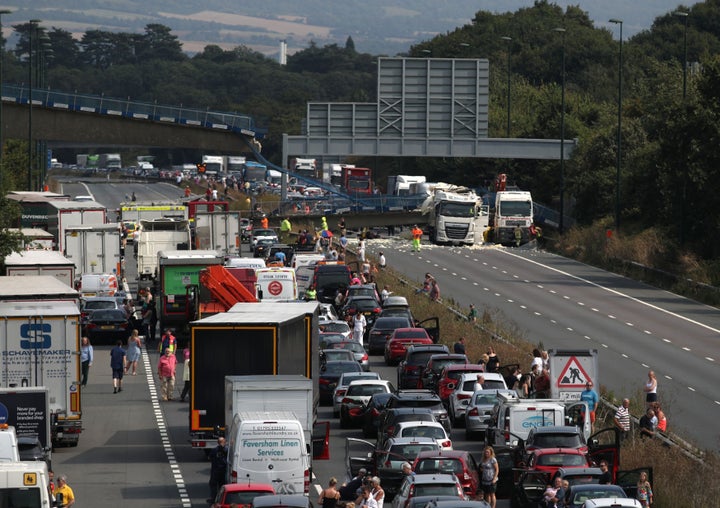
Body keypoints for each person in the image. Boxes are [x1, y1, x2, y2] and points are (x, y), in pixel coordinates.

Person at [207, 437, 228, 503]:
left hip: (215, 471)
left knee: (213, 485)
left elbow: (209, 458)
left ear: (218, 442)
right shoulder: (227, 450)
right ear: (224, 442)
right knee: (222, 486)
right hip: (223, 471)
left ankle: (214, 499)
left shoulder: (214, 450)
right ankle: (222, 500)